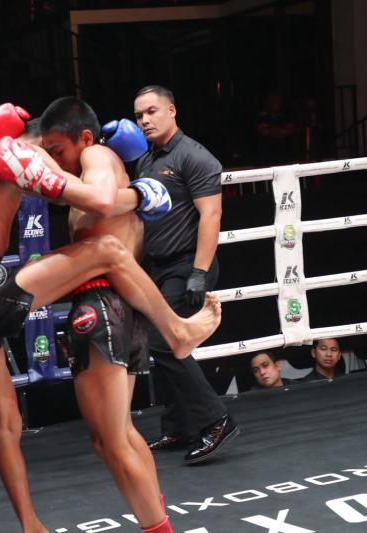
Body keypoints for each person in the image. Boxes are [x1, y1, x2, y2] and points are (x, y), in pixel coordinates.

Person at [0, 103, 221, 532]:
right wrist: (142, 194)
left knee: (7, 421)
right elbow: (98, 199)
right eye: (54, 151)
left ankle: (30, 524)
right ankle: (177, 330)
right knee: (107, 251)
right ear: (44, 143)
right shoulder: (26, 155)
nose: (60, 161)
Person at [40, 96, 175, 533]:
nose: (54, 160)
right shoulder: (97, 167)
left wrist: (135, 195)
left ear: (84, 138)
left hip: (101, 303)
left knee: (112, 442)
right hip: (119, 306)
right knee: (116, 437)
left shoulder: (96, 156)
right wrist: (137, 196)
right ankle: (159, 520)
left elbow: (99, 200)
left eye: (57, 150)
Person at [132, 84, 238, 464]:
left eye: (151, 111)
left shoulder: (195, 156)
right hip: (158, 267)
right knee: (160, 345)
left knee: (165, 342)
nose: (145, 120)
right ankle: (180, 426)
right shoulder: (145, 160)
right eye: (139, 115)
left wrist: (199, 273)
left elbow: (211, 215)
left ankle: (217, 420)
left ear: (172, 110)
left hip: (188, 265)